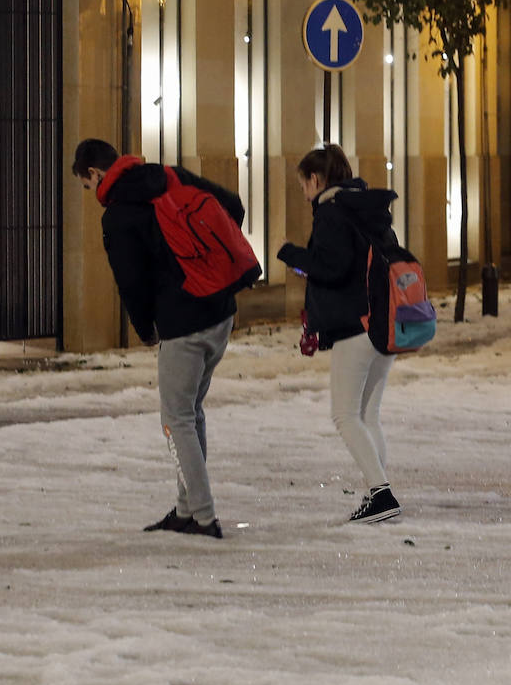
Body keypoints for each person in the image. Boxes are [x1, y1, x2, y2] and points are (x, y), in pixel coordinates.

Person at [72, 138, 254, 539]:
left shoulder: (119, 215)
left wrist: (145, 329)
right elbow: (232, 204)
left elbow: (131, 282)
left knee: (176, 420)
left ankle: (203, 516)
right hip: (220, 312)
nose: (92, 194)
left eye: (87, 186)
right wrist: (210, 266)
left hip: (182, 324)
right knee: (190, 413)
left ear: (95, 174)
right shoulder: (169, 174)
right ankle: (187, 509)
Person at [277, 145, 404, 524]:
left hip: (355, 327)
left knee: (345, 415)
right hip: (385, 323)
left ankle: (381, 495)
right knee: (367, 413)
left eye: (303, 184)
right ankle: (377, 491)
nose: (303, 192)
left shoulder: (332, 214)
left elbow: (332, 269)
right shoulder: (368, 211)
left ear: (316, 180)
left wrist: (293, 256)